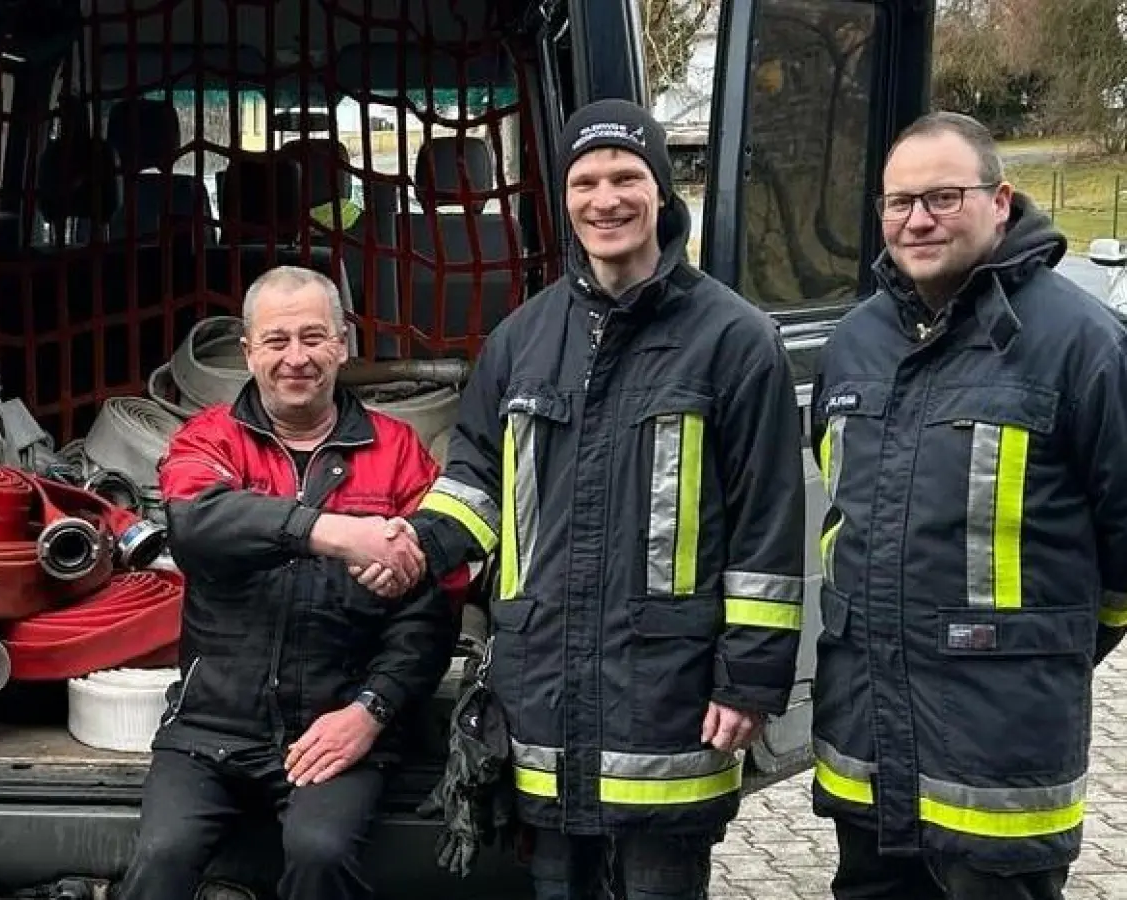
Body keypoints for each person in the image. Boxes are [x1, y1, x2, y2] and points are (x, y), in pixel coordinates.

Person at [363, 98, 809, 898]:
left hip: (667, 688)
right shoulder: (521, 339)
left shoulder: (736, 340)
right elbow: (475, 478)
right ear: (564, 200)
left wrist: (749, 680)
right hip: (544, 685)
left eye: (627, 177)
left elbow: (767, 528)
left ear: (662, 194)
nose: (606, 199)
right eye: (585, 180)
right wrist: (417, 545)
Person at [807, 110, 1127, 900]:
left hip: (1001, 765)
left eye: (943, 197)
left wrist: (1031, 649)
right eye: (898, 202)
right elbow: (842, 520)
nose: (917, 220)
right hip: (868, 753)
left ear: (1002, 200)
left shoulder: (1083, 343)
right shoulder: (855, 342)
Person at [114, 265, 464, 900]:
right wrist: (336, 533)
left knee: (319, 853)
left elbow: (432, 611)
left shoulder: (400, 452)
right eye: (276, 341)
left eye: (313, 337)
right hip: (209, 729)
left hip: (337, 723)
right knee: (160, 859)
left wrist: (371, 711)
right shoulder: (210, 437)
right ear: (248, 351)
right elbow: (196, 526)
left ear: (344, 344)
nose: (295, 358)